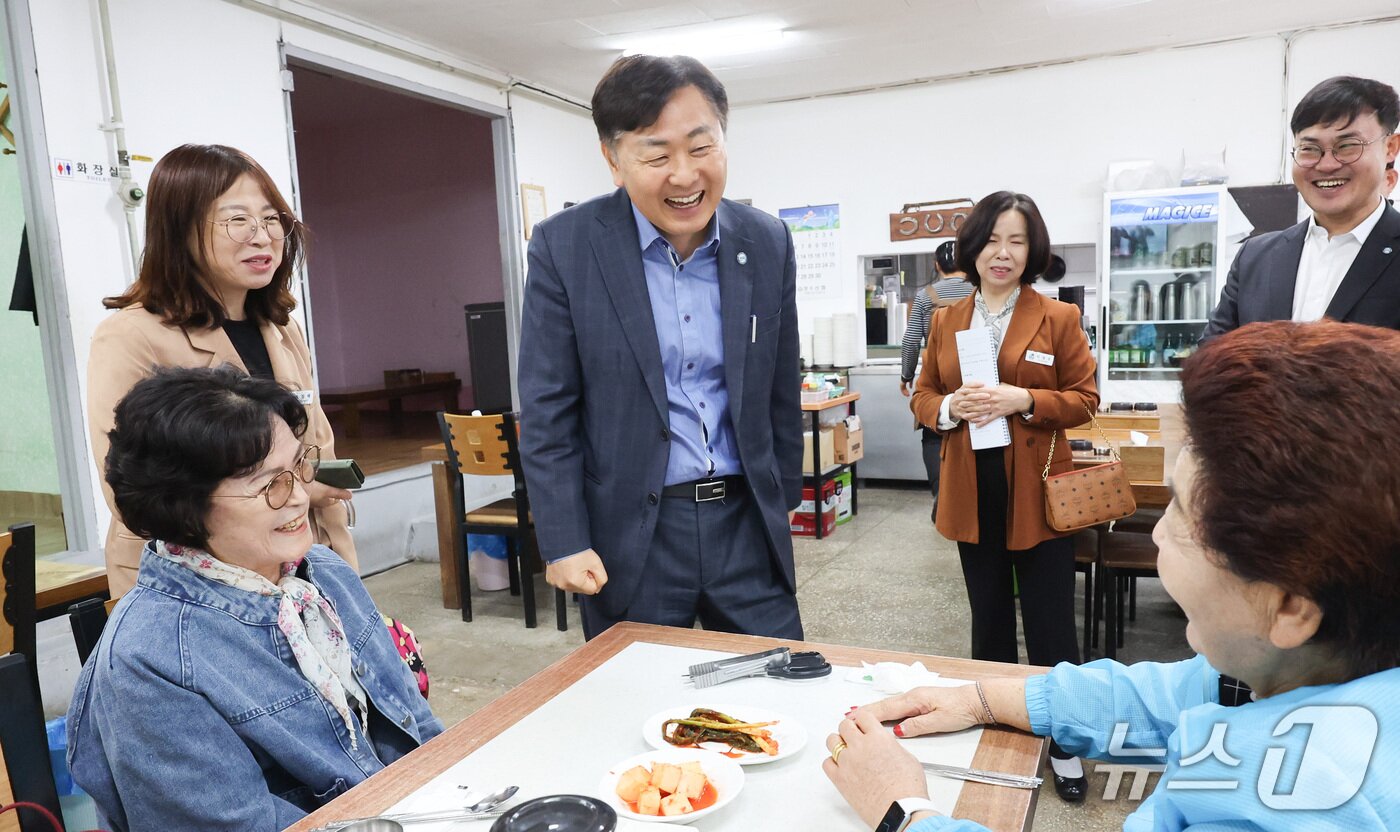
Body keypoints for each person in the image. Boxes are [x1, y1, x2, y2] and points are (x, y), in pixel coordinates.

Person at [823, 320, 1400, 832]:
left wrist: (902, 811)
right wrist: (980, 699)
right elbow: (1161, 696)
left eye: (1180, 512)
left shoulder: (1302, 800)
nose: (1154, 532)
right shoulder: (1294, 667)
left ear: (1290, 606)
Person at [67, 366, 443, 831]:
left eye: (297, 468)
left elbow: (420, 732)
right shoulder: (150, 661)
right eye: (268, 484)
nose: (299, 498)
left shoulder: (323, 573)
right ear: (184, 505)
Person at [517, 55, 803, 641]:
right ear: (613, 159)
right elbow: (548, 408)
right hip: (632, 531)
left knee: (778, 690)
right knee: (633, 705)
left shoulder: (766, 240)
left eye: (702, 148)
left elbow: (778, 381)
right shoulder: (566, 247)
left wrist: (785, 494)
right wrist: (565, 539)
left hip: (746, 519)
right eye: (656, 155)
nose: (684, 175)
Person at [88, 144, 356, 598]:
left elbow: (314, 445)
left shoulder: (280, 327)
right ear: (181, 230)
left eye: (272, 219)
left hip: (303, 570)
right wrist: (296, 493)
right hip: (194, 589)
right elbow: (131, 494)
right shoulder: (131, 336)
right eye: (238, 220)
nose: (262, 236)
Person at [909, 191, 1098, 802]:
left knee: (1051, 631)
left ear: (1032, 250)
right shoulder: (947, 318)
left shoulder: (1058, 317)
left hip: (1039, 496)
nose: (1003, 252)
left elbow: (1086, 400)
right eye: (992, 239)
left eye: (1017, 241)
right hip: (972, 492)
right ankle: (994, 732)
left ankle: (1065, 746)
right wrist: (946, 408)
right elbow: (922, 395)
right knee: (987, 624)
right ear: (974, 247)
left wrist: (1026, 400)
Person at [1205, 75, 1400, 336]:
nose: (1327, 164)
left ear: (1390, 147)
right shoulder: (1255, 257)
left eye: (1347, 146)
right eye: (1309, 148)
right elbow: (1214, 359)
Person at [899, 241, 971, 520]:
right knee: (970, 433)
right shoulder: (978, 292)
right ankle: (965, 497)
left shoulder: (925, 295)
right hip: (973, 376)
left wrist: (906, 376)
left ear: (937, 265)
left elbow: (911, 341)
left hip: (938, 375)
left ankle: (942, 492)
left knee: (933, 433)